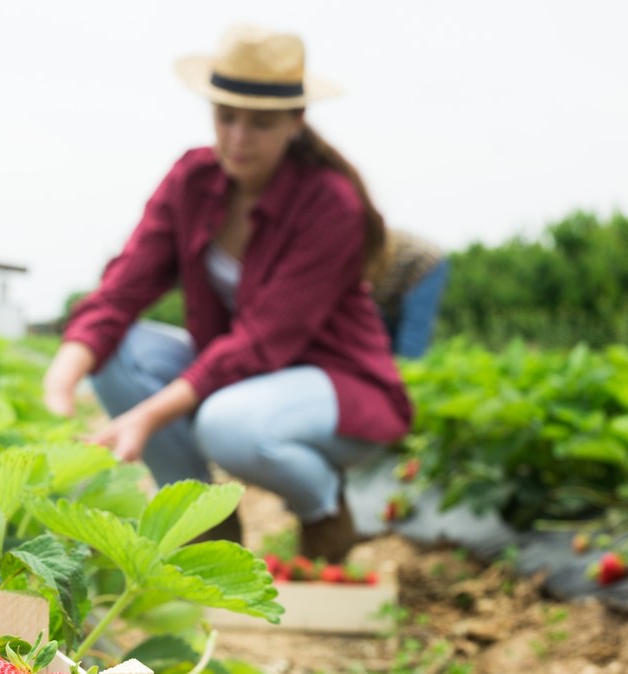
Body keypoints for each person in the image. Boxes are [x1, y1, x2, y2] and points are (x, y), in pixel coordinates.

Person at [43, 24, 412, 563]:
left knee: (228, 424)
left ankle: (324, 506)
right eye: (227, 117)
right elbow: (124, 286)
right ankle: (204, 525)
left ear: (296, 121)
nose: (239, 137)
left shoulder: (330, 204)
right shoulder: (194, 180)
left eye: (260, 124)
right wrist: (61, 382)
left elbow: (263, 341)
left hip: (334, 385)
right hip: (244, 379)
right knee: (117, 352)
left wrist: (145, 418)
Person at [369, 229, 449, 359]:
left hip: (424, 263)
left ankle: (409, 374)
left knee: (412, 337)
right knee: (383, 338)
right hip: (391, 285)